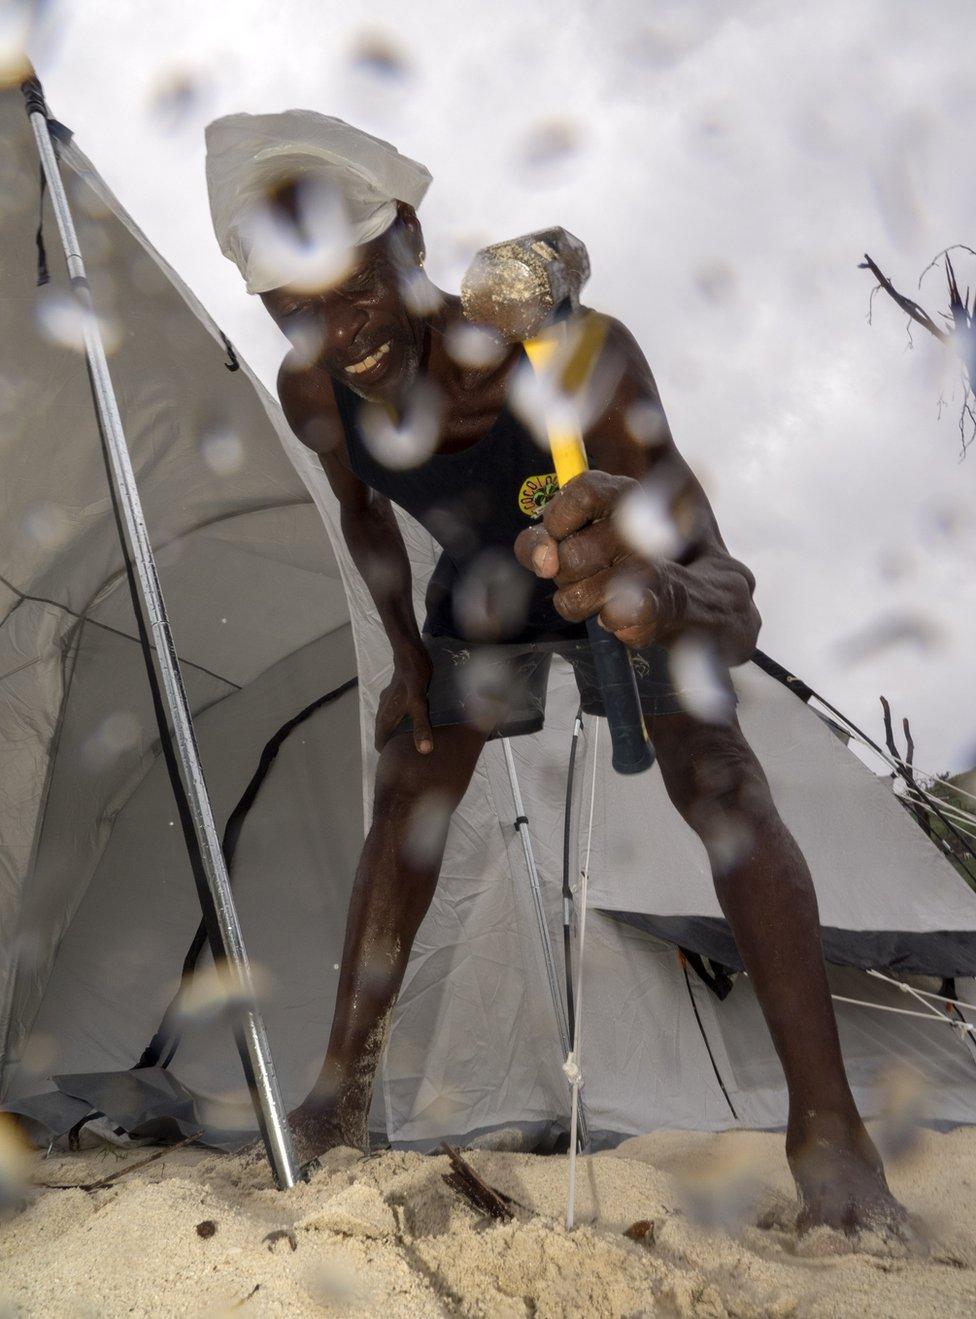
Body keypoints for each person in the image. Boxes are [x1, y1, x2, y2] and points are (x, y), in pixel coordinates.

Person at [205, 110, 905, 1233]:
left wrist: (662, 588)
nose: (338, 337)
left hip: (630, 574)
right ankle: (336, 1104)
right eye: (293, 313)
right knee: (409, 791)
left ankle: (830, 1131)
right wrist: (399, 655)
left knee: (721, 778)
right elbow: (364, 517)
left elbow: (729, 588)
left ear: (411, 242)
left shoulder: (573, 356)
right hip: (484, 594)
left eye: (354, 293)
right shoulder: (314, 392)